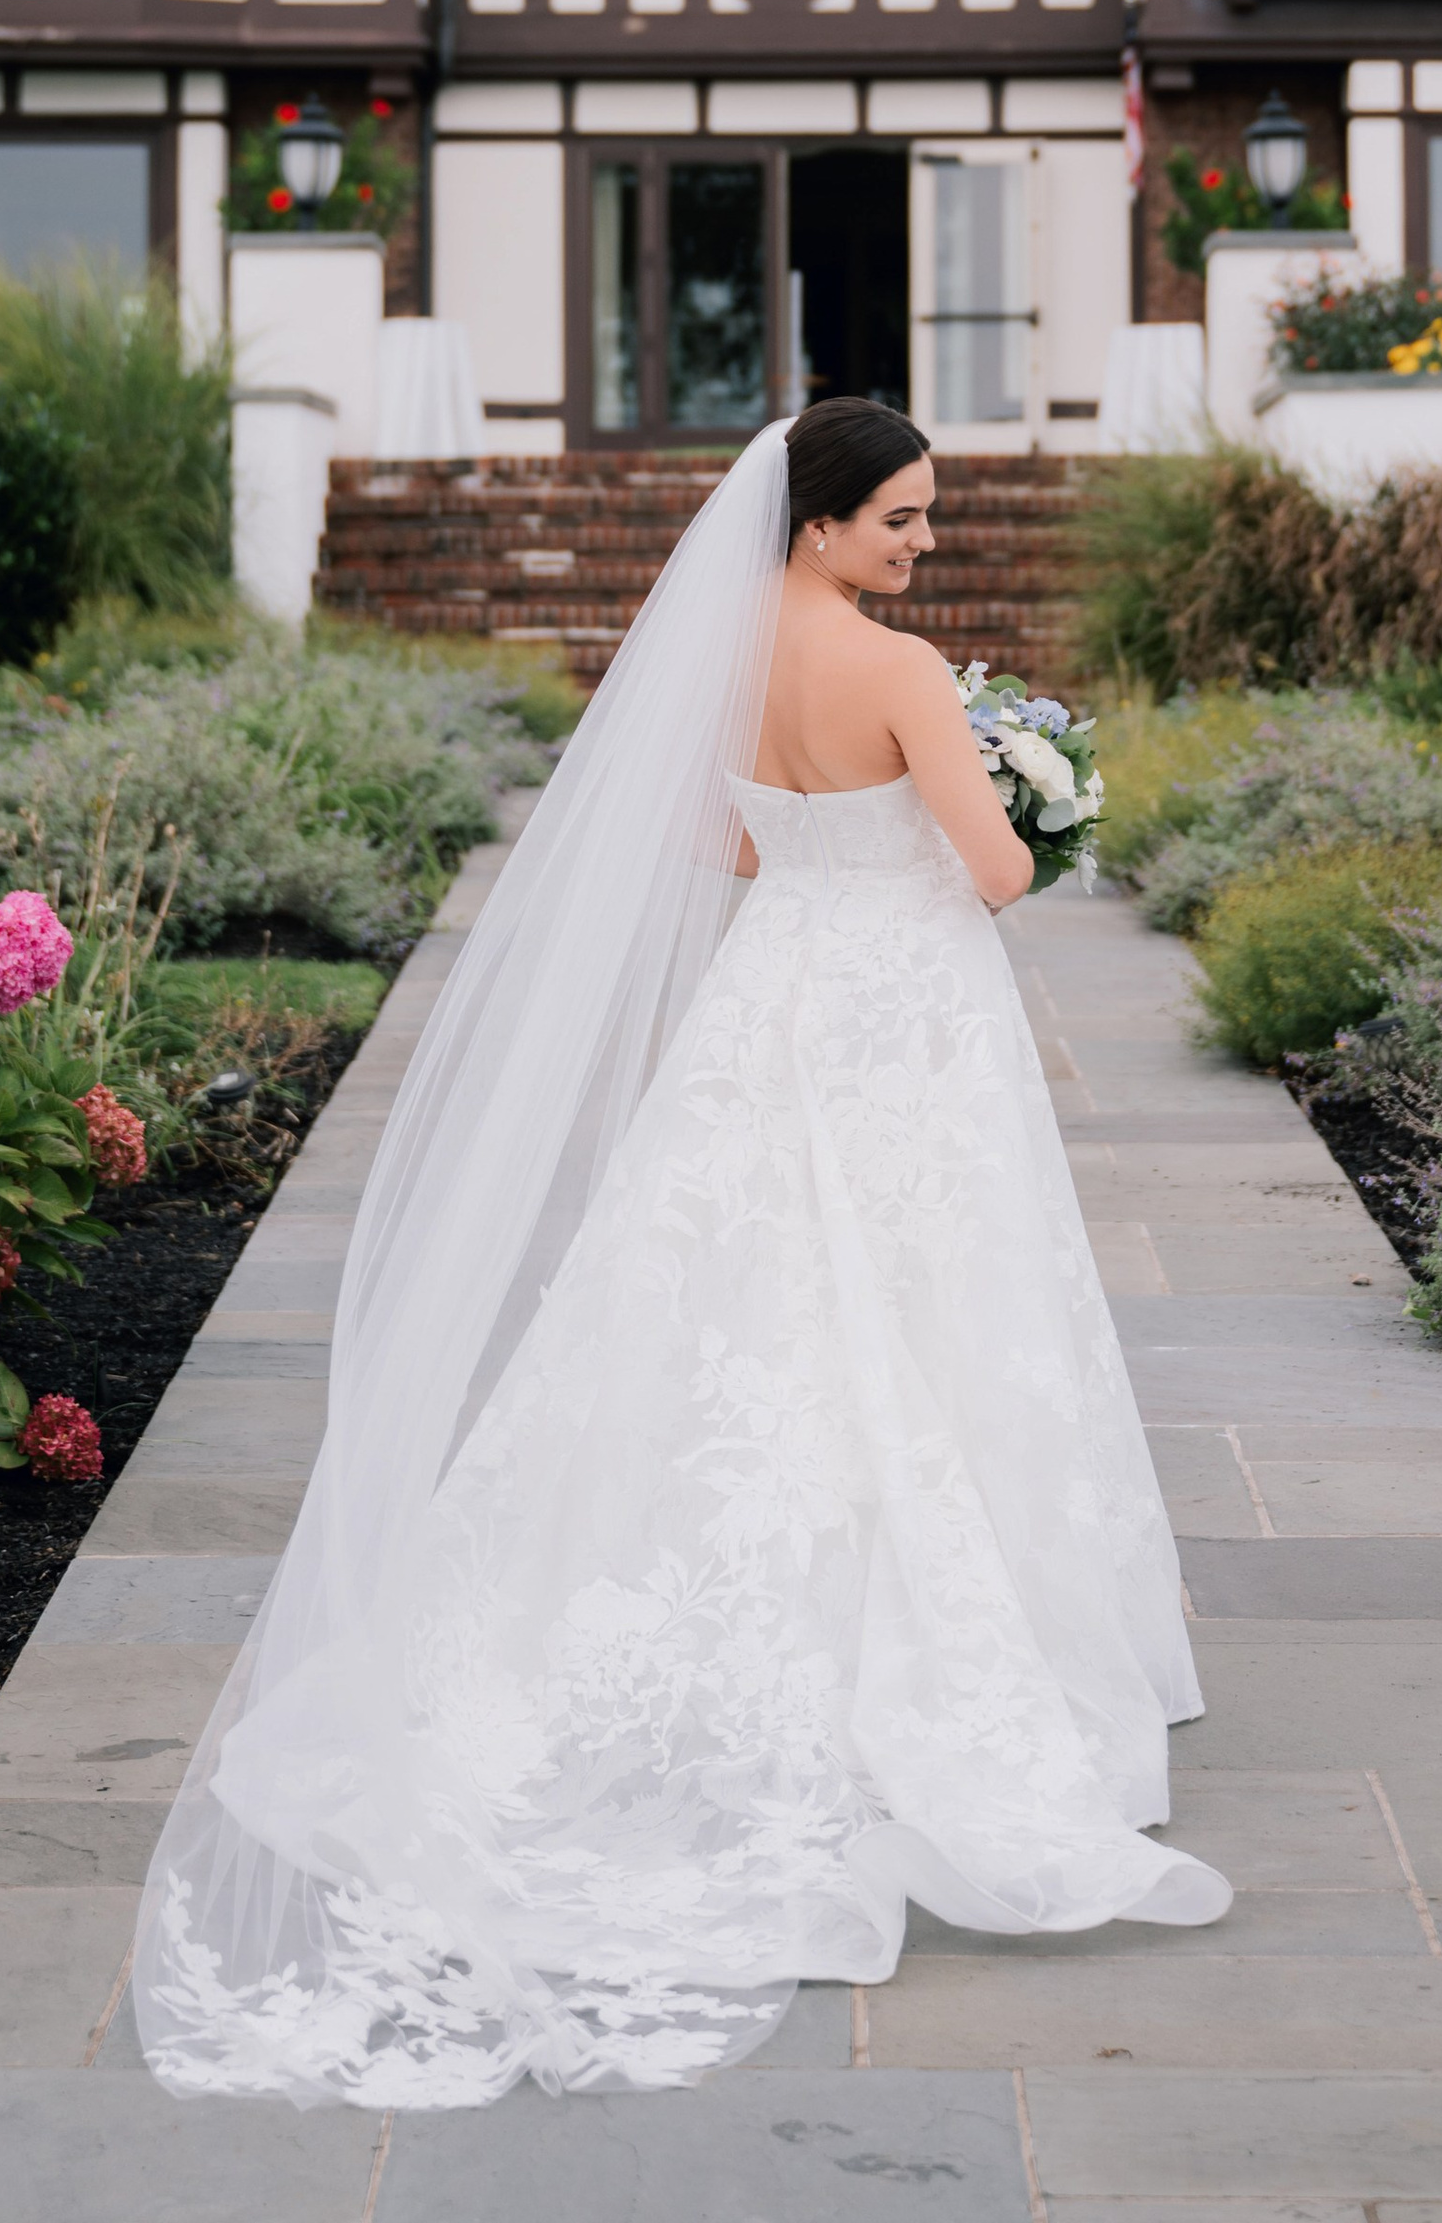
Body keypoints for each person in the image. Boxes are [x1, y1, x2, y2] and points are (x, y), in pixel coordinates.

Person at [135, 398, 1230, 2112]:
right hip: (901, 1016)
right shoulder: (905, 672)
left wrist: (839, 834)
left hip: (772, 991)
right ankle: (938, 1641)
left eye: (930, 521)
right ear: (817, 525)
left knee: (724, 1306)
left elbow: (718, 839)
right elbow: (1001, 870)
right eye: (901, 521)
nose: (921, 546)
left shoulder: (719, 661)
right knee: (934, 1298)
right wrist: (1037, 793)